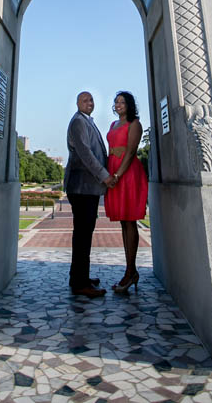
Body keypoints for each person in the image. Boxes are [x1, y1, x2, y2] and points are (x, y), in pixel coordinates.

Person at [65, 90, 117, 298]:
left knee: (83, 234)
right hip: (82, 187)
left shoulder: (88, 121)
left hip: (87, 188)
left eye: (91, 99)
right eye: (85, 100)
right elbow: (86, 153)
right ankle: (80, 283)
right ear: (77, 103)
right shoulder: (79, 122)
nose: (89, 102)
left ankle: (78, 276)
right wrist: (105, 176)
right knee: (83, 235)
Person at [104, 91, 148, 293]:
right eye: (116, 102)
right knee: (123, 222)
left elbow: (130, 152)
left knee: (130, 221)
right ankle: (131, 271)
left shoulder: (135, 124)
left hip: (127, 174)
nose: (118, 104)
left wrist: (118, 175)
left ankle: (131, 271)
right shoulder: (113, 125)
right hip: (114, 172)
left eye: (122, 102)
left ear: (129, 105)